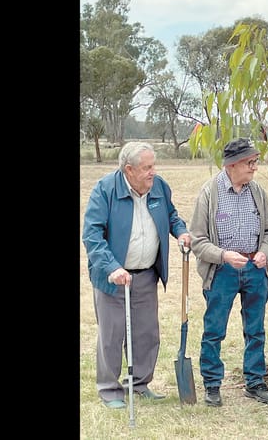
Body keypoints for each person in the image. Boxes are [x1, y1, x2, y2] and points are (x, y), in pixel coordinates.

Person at [82, 141, 191, 409]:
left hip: (145, 275)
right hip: (112, 277)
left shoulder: (159, 187)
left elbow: (172, 216)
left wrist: (181, 231)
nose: (153, 172)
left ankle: (139, 385)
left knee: (146, 333)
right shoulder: (105, 190)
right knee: (111, 333)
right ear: (129, 170)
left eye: (153, 166)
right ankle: (109, 390)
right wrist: (112, 267)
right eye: (147, 168)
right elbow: (92, 235)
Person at [189, 137, 268, 407]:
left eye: (254, 162)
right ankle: (212, 384)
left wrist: (265, 251)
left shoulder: (257, 192)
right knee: (214, 330)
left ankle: (255, 382)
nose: (254, 168)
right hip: (222, 271)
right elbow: (197, 241)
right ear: (232, 165)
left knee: (256, 329)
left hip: (254, 269)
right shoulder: (209, 193)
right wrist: (223, 256)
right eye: (249, 163)